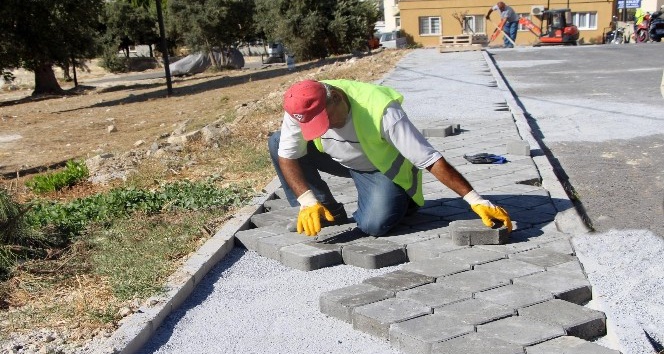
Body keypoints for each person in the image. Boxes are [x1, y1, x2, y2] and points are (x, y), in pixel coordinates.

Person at [268, 79, 513, 237]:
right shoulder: (302, 107)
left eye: (327, 120)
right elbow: (288, 156)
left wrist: (475, 199)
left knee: (374, 225)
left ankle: (404, 200)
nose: (324, 128)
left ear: (338, 98)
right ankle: (326, 211)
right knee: (278, 142)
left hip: (379, 168)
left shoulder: (380, 108)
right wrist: (307, 200)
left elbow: (429, 159)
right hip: (340, 159)